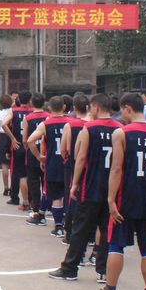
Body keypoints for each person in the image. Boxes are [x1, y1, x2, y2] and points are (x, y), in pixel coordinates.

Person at [87, 93, 146, 290]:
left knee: (116, 245)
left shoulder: (122, 133)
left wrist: (110, 200)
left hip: (126, 199)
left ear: (127, 108)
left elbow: (116, 169)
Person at [49, 93, 121, 283]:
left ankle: (70, 268)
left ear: (95, 107)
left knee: (80, 228)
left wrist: (74, 184)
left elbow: (79, 157)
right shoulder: (121, 129)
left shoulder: (89, 128)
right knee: (106, 230)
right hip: (112, 188)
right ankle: (103, 271)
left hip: (91, 186)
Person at [27, 96, 70, 235]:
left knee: (56, 196)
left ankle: (58, 227)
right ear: (64, 107)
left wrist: (39, 157)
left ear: (49, 108)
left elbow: (30, 141)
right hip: (68, 163)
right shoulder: (71, 122)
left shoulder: (46, 124)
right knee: (68, 195)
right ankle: (68, 224)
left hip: (53, 164)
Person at [59, 93, 90, 242]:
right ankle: (90, 234)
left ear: (74, 108)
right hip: (90, 166)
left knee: (71, 197)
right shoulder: (92, 125)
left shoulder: (70, 125)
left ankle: (70, 232)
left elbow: (64, 149)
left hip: (72, 165)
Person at [1, 91, 33, 208]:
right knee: (31, 175)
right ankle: (32, 199)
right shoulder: (33, 112)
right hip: (31, 145)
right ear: (30, 100)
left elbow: (3, 124)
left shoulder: (13, 111)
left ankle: (20, 199)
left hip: (18, 145)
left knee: (19, 174)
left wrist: (13, 139)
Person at [23, 93, 50, 225]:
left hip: (33, 152)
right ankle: (48, 206)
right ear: (44, 103)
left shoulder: (28, 118)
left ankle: (36, 208)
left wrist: (28, 148)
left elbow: (25, 139)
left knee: (33, 182)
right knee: (46, 182)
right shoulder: (49, 117)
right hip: (46, 153)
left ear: (31, 103)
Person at [0, 94, 13, 197]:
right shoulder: (13, 112)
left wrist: (0, 139)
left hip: (3, 136)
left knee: (4, 165)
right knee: (13, 164)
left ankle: (6, 187)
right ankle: (14, 187)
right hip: (13, 136)